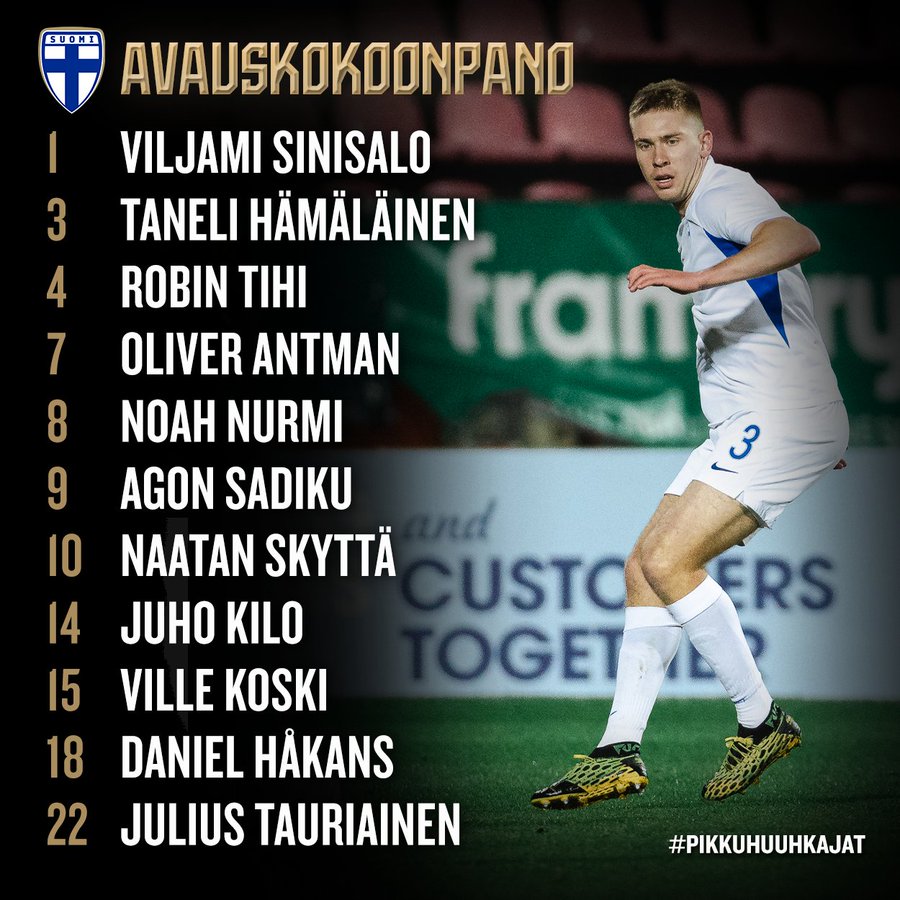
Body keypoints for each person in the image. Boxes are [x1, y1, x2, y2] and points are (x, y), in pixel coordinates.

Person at [531, 79, 848, 809]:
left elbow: (797, 238)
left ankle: (761, 720)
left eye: (673, 140)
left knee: (671, 560)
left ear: (705, 143)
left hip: (777, 418)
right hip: (757, 421)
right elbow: (788, 303)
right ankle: (618, 751)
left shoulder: (720, 194)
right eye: (644, 145)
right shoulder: (699, 211)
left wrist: (698, 278)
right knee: (644, 568)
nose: (658, 158)